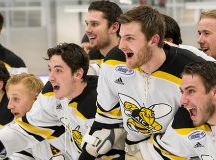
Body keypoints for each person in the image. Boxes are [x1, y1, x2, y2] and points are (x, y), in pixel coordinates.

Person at [79, 6, 207, 160]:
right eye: (121, 37)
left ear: (154, 40)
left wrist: (146, 154)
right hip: (133, 149)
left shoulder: (190, 68)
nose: (121, 46)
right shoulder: (113, 62)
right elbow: (105, 119)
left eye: (130, 38)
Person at [0, 43, 124, 160]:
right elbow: (26, 128)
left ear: (77, 74)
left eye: (58, 70)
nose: (51, 77)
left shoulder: (100, 99)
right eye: (49, 70)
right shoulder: (51, 95)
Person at [85, 1, 123, 75]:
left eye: (94, 24)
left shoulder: (131, 59)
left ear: (114, 27)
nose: (87, 30)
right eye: (87, 24)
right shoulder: (92, 56)